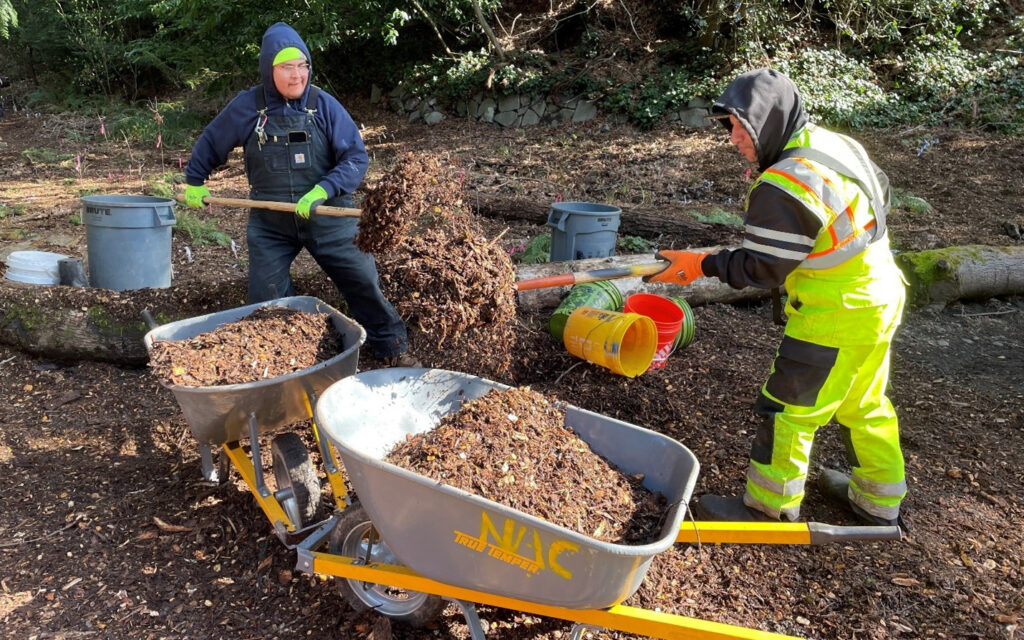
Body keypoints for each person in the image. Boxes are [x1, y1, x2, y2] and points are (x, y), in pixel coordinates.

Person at [647, 68, 907, 526]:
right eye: (728, 128)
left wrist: (701, 264)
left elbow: (763, 267)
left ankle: (768, 507)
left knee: (788, 408)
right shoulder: (832, 143)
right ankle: (878, 499)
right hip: (880, 291)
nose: (732, 140)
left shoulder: (786, 183)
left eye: (737, 127)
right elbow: (882, 193)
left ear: (766, 121)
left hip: (836, 311)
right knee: (864, 403)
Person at [183, 22, 418, 367]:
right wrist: (195, 179)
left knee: (362, 279)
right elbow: (212, 140)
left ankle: (391, 348)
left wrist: (324, 189)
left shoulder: (323, 105)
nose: (297, 76)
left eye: (302, 66)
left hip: (328, 214)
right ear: (269, 69)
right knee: (267, 296)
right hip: (271, 221)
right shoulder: (249, 107)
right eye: (286, 67)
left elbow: (356, 157)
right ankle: (282, 362)